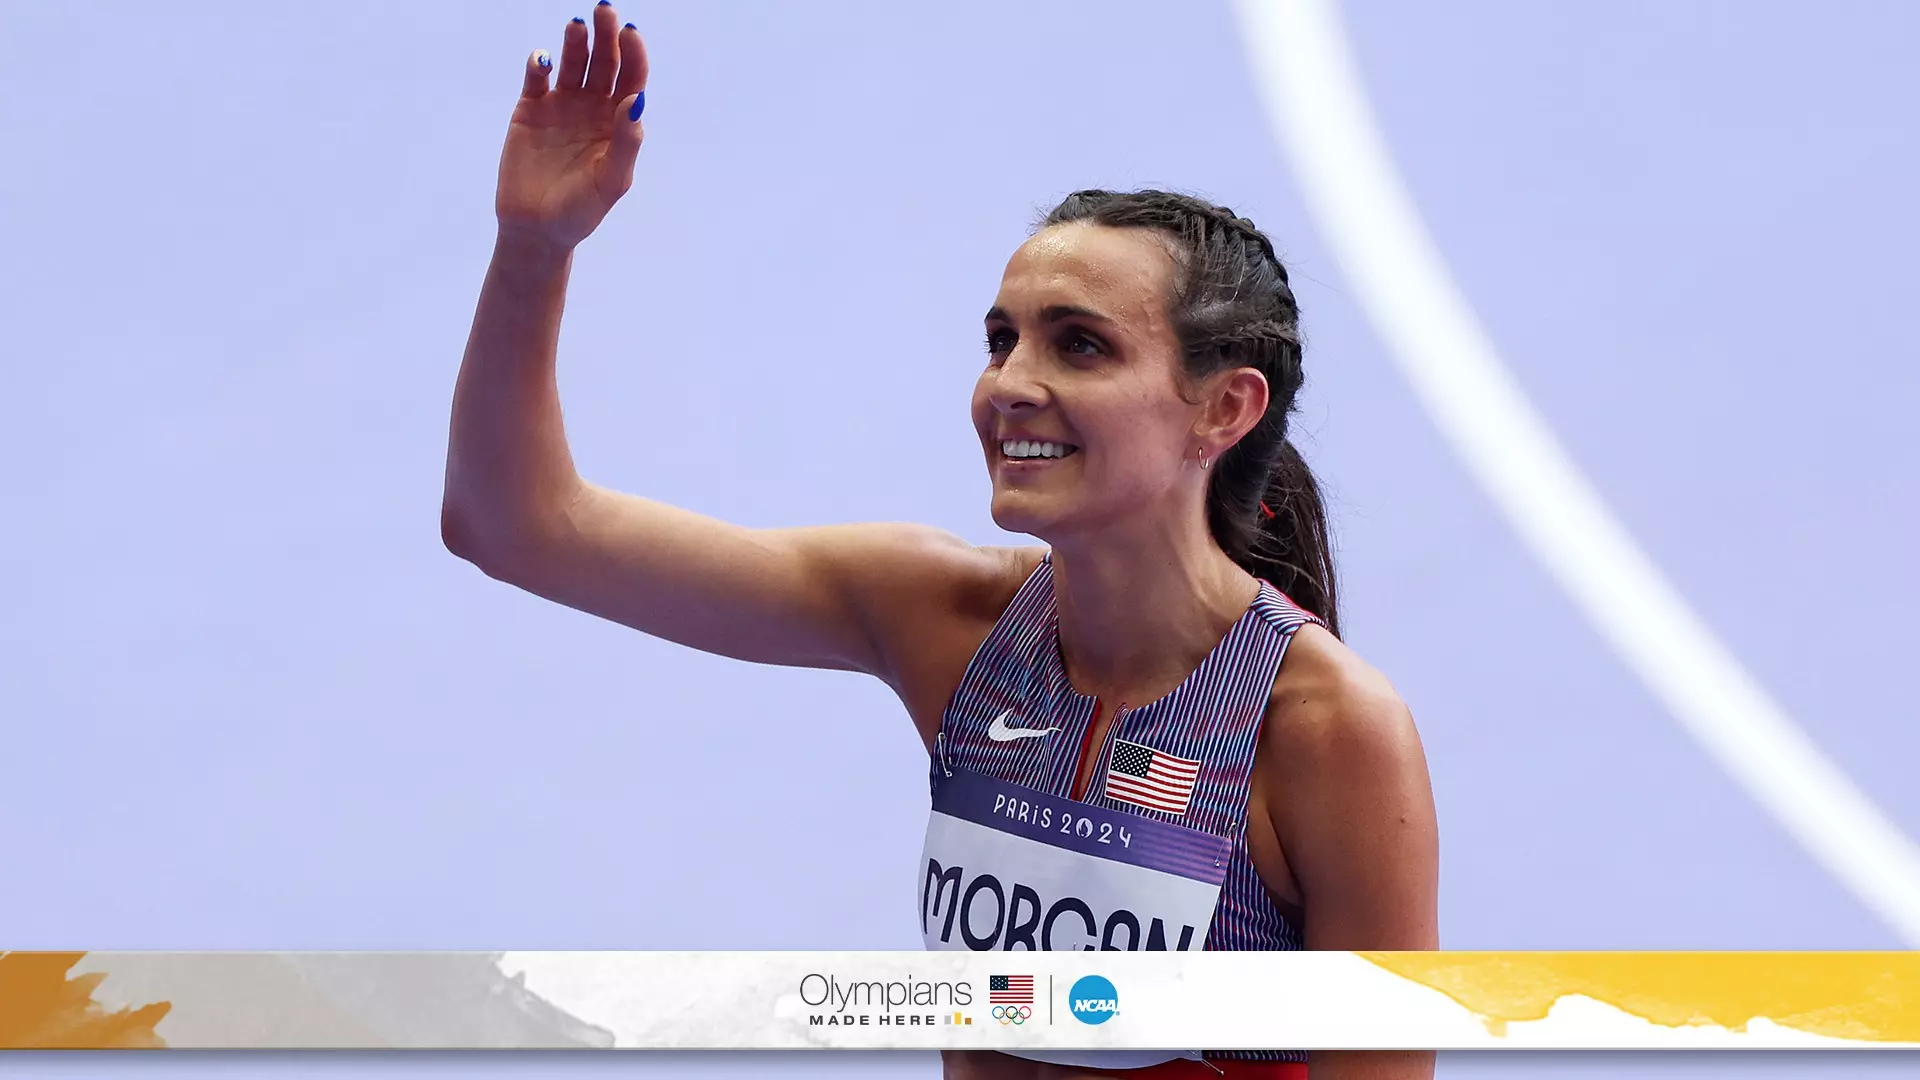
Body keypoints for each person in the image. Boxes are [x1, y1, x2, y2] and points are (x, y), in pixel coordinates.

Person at [441, 5, 1438, 1078]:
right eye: (1001, 339)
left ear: (1222, 410)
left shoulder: (1329, 733)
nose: (1011, 385)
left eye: (1081, 346)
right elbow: (517, 525)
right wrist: (534, 249)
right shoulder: (947, 623)